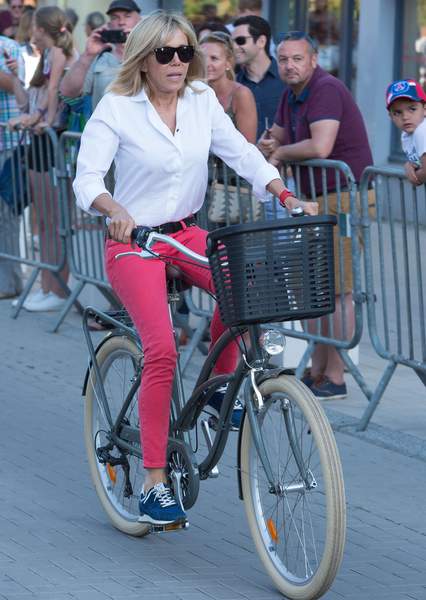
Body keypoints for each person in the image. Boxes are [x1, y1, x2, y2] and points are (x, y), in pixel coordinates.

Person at [73, 11, 316, 527]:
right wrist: (113, 209)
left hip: (183, 232)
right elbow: (86, 178)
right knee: (161, 348)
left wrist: (285, 194)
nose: (179, 62)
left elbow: (241, 154)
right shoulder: (117, 108)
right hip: (135, 240)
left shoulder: (203, 102)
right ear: (143, 57)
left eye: (185, 52)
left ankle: (215, 397)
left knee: (246, 291)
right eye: (166, 53)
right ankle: (153, 480)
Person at [258, 31, 373, 400]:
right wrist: (268, 145)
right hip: (312, 200)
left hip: (341, 197)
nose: (288, 65)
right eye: (283, 59)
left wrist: (279, 154)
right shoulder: (291, 95)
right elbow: (273, 136)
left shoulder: (325, 88)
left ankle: (335, 376)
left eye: (296, 58)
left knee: (339, 290)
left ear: (313, 59)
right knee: (315, 289)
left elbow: (320, 145)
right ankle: (319, 369)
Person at [8, 6, 78, 312]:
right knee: (46, 220)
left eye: (34, 25)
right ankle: (49, 285)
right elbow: (35, 96)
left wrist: (44, 121)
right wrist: (35, 117)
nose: (30, 30)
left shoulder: (60, 54)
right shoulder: (46, 55)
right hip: (39, 139)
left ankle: (58, 289)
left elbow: (54, 93)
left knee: (54, 220)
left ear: (42, 28)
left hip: (52, 141)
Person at [59, 0, 141, 113]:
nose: (121, 22)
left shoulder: (152, 53)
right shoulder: (100, 56)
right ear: (109, 24)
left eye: (127, 16)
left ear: (139, 21)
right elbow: (68, 94)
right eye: (115, 17)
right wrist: (88, 55)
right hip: (105, 129)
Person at [0, 27, 25, 300]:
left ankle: (9, 282)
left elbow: (18, 86)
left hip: (8, 142)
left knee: (6, 216)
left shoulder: (8, 47)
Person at [232, 15, 284, 141]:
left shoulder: (287, 80)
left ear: (261, 41)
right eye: (231, 42)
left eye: (240, 40)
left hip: (283, 158)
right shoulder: (234, 85)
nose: (234, 47)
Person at [200, 31, 257, 142]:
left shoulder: (241, 94)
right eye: (202, 58)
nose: (206, 64)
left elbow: (248, 147)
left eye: (214, 58)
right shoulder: (195, 93)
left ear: (228, 63)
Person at [386, 79, 426, 185]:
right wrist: (409, 165)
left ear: (424, 108)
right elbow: (419, 164)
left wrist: (414, 177)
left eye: (412, 109)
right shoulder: (406, 135)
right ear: (391, 116)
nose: (405, 117)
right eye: (397, 112)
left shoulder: (422, 131)